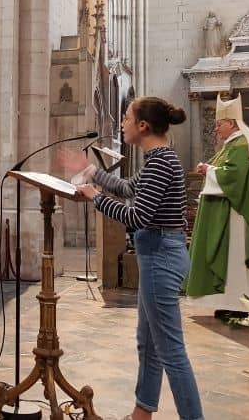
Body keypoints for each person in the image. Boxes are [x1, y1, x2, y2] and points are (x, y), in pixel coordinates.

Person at [59, 97, 203, 420]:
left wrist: (95, 197)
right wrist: (91, 172)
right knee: (149, 344)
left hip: (160, 257)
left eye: (126, 118)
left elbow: (137, 216)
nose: (122, 123)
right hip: (158, 255)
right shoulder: (158, 160)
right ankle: (142, 412)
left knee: (171, 352)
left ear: (143, 126)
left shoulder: (162, 163)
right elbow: (126, 187)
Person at [186, 94, 249, 318]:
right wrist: (211, 169)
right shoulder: (237, 143)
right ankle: (234, 302)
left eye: (219, 124)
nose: (216, 129)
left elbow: (234, 177)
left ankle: (242, 305)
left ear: (231, 123)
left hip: (238, 214)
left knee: (235, 256)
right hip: (233, 210)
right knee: (231, 258)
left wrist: (208, 171)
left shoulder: (243, 144)